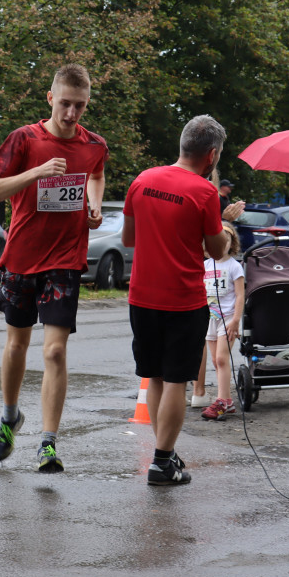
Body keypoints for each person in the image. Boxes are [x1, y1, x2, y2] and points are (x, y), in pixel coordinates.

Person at [0, 64, 108, 473]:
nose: (72, 114)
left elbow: (96, 173)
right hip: (21, 256)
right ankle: (9, 417)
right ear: (50, 98)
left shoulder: (94, 145)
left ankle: (48, 443)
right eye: (66, 104)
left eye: (81, 106)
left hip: (65, 260)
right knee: (17, 345)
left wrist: (93, 204)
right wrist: (37, 171)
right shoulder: (24, 138)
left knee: (54, 351)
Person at [123, 114, 228, 486]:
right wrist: (222, 228)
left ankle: (161, 453)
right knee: (177, 382)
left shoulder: (142, 181)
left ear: (183, 144)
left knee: (153, 376)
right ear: (211, 155)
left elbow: (128, 240)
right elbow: (217, 250)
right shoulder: (205, 192)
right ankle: (163, 460)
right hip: (183, 300)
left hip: (142, 296)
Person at [200, 223, 245, 420]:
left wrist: (236, 320)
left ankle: (221, 401)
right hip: (209, 318)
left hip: (227, 319)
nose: (221, 245)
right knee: (215, 362)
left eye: (226, 241)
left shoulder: (235, 267)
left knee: (221, 359)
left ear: (231, 244)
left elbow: (240, 295)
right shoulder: (205, 265)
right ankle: (227, 401)